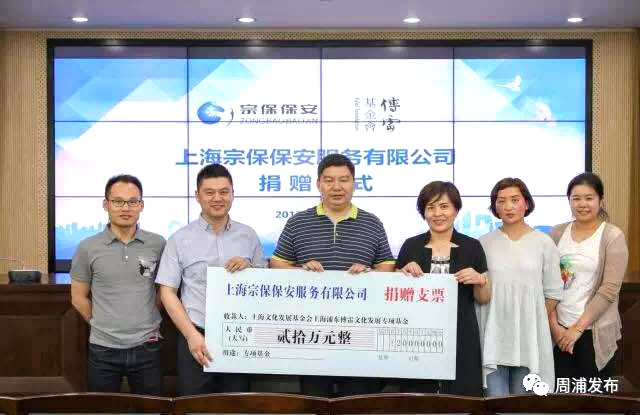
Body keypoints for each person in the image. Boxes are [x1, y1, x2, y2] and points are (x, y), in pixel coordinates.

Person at [271, 153, 395, 397]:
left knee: (357, 402)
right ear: (318, 184)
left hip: (360, 334)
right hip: (310, 333)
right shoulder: (297, 222)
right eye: (329, 180)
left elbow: (387, 266)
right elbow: (277, 265)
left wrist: (370, 274)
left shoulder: (372, 223)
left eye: (344, 180)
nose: (336, 187)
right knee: (315, 400)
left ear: (354, 183)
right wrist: (300, 271)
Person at [155, 164, 267, 396]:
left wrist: (250, 269)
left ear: (233, 194)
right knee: (194, 403)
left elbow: (264, 283)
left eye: (224, 192)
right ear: (197, 196)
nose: (217, 198)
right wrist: (191, 335)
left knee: (237, 404)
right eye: (209, 192)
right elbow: (167, 292)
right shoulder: (180, 239)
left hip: (240, 334)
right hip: (196, 334)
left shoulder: (248, 235)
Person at [70, 174, 166, 395]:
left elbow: (165, 290)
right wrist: (100, 323)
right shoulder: (87, 247)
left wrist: (148, 316)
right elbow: (78, 296)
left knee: (151, 408)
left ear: (141, 205)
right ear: (106, 204)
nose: (125, 208)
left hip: (147, 346)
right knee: (103, 408)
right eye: (118, 201)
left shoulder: (158, 244)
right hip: (103, 348)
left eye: (132, 201)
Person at [395, 181, 490, 396]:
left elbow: (483, 298)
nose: (437, 213)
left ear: (456, 209)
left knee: (462, 396)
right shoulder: (411, 246)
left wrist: (480, 280)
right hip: (417, 335)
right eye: (431, 207)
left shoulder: (472, 246)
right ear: (423, 212)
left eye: (444, 206)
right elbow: (393, 295)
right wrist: (402, 274)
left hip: (461, 333)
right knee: (417, 397)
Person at [476, 178, 562, 396]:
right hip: (493, 337)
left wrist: (533, 321)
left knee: (522, 405)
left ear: (526, 203)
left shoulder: (544, 242)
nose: (508, 206)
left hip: (528, 339)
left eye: (515, 200)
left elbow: (553, 293)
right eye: (501, 201)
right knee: (495, 402)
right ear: (495, 207)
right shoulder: (483, 242)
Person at [549, 172, 628, 381]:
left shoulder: (612, 236)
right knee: (561, 394)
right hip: (559, 331)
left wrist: (577, 329)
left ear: (600, 200)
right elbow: (546, 284)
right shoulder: (556, 233)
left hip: (593, 331)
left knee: (593, 395)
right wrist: (555, 327)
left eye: (589, 198)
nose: (582, 204)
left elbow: (609, 290)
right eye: (576, 198)